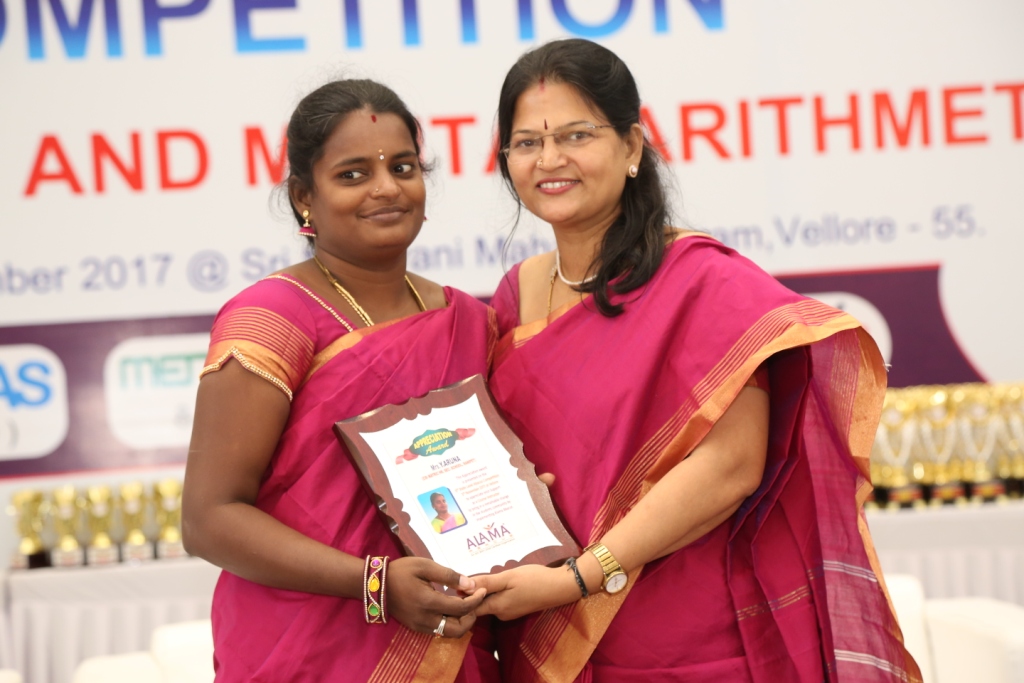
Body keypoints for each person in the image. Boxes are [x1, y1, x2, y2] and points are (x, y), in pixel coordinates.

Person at [473, 39, 922, 682]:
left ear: (631, 146)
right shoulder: (516, 294)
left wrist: (582, 576)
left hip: (683, 634)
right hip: (549, 630)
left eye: (576, 135)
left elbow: (731, 465)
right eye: (527, 142)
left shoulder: (701, 282)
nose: (550, 160)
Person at [182, 79, 499, 683]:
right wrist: (375, 584)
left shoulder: (469, 321)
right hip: (305, 649)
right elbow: (208, 519)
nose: (386, 188)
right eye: (353, 174)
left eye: (402, 167)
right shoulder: (271, 319)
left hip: (451, 639)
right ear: (305, 196)